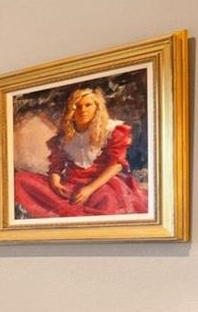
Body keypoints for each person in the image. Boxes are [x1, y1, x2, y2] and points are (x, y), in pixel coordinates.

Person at [13, 86, 147, 218]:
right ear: (71, 110)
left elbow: (116, 164)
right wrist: (55, 183)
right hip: (71, 182)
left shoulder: (111, 130)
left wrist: (89, 188)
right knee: (20, 179)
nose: (83, 110)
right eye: (78, 106)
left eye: (88, 105)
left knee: (106, 197)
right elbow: (57, 165)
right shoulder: (64, 136)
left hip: (100, 182)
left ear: (97, 108)